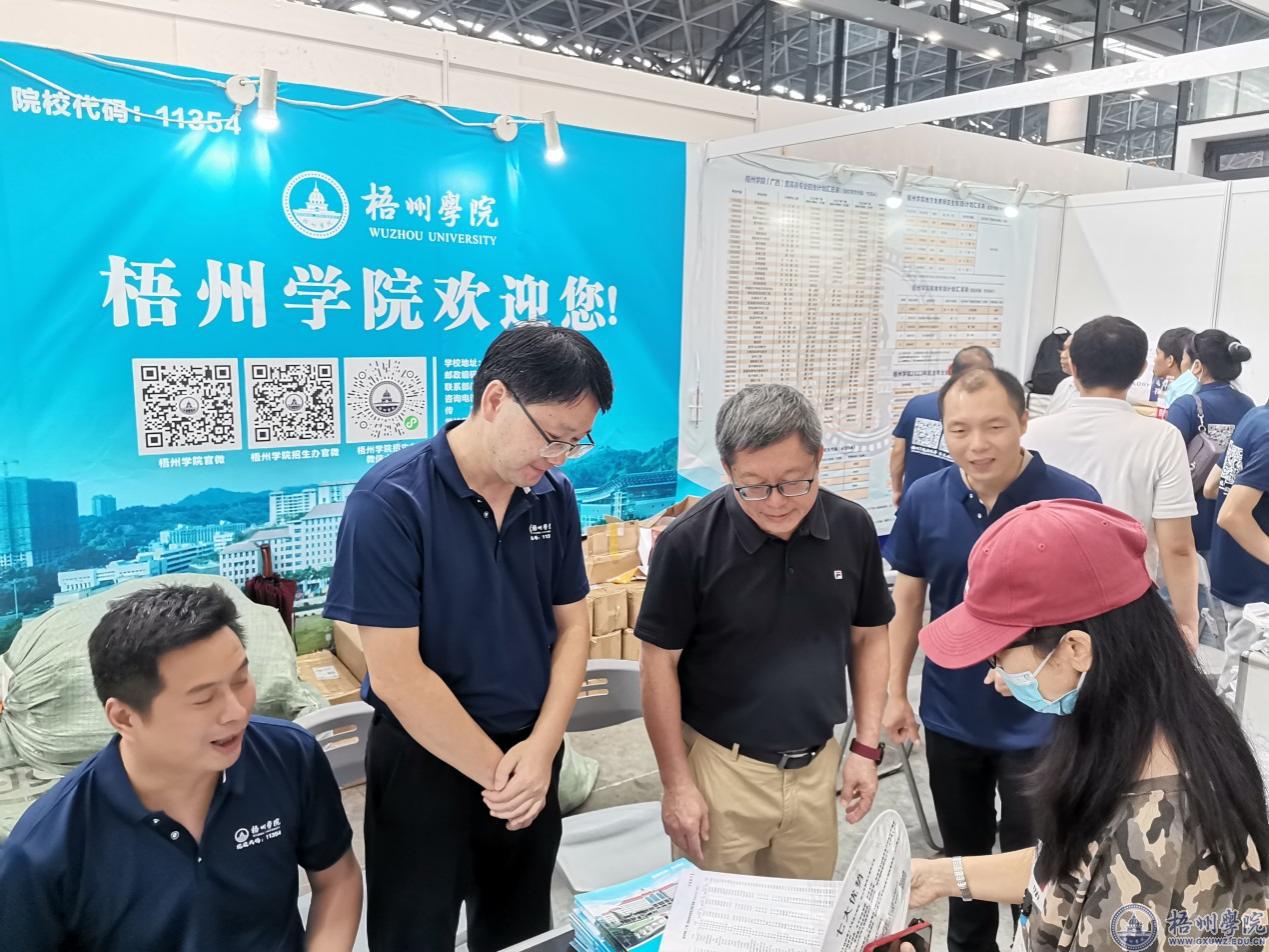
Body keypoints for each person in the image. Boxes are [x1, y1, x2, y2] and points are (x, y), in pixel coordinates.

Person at [323, 325, 611, 951]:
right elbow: (398, 676)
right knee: (413, 934)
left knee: (519, 929)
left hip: (529, 751)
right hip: (426, 760)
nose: (560, 457)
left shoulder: (553, 495)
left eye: (576, 442)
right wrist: (503, 779)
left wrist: (541, 751)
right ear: (496, 399)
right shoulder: (390, 501)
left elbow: (572, 630)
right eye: (553, 437)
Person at [908, 500, 1269, 951]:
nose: (994, 676)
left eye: (997, 656)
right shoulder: (1143, 730)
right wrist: (942, 876)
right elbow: (1072, 871)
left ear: (1076, 649)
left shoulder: (1154, 830)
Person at [0, 584, 362, 951]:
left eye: (240, 680)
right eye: (203, 699)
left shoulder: (289, 756)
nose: (236, 711)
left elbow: (338, 880)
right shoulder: (43, 850)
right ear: (124, 717)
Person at [883, 368, 1099, 952]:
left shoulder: (1074, 500)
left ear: (1025, 422)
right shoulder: (926, 498)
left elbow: (1097, 618)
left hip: (1044, 720)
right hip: (952, 715)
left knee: (1042, 866)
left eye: (995, 426)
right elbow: (910, 599)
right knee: (963, 863)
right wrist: (895, 692)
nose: (977, 445)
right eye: (959, 430)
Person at [638, 384, 894, 879]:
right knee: (718, 914)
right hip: (722, 769)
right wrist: (677, 784)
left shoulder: (852, 527)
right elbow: (658, 665)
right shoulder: (688, 544)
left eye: (794, 483)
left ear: (818, 458)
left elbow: (868, 637)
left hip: (817, 768)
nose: (775, 503)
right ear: (727, 469)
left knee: (805, 911)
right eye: (753, 486)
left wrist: (865, 747)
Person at [1023, 316, 1200, 644]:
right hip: (1126, 605)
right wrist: (1187, 620)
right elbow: (1176, 546)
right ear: (1141, 370)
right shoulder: (1161, 438)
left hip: (1042, 599)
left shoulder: (1031, 434)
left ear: (1073, 367)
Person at [1166, 330, 1255, 645]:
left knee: (1180, 595)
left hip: (1189, 514)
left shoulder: (1187, 405)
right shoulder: (1248, 406)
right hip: (1231, 511)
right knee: (1222, 604)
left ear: (1197, 366)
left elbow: (1166, 462)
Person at [1205, 401, 1269, 701]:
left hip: (1230, 567)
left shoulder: (1254, 417)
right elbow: (1231, 515)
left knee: (1238, 671)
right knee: (1243, 687)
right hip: (1255, 586)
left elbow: (1211, 486)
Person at [891, 346, 996, 506]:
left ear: (950, 369)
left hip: (912, 503)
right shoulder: (985, 417)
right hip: (955, 509)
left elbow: (898, 452)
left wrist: (897, 490)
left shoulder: (916, 405)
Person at [1151, 326, 1195, 404]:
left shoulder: (1179, 399)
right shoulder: (1193, 389)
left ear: (1170, 360)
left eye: (1157, 354)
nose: (1154, 360)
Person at [1043, 336, 1078, 416]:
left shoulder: (1095, 389)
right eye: (1063, 349)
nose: (1062, 355)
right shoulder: (1065, 383)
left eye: (1069, 349)